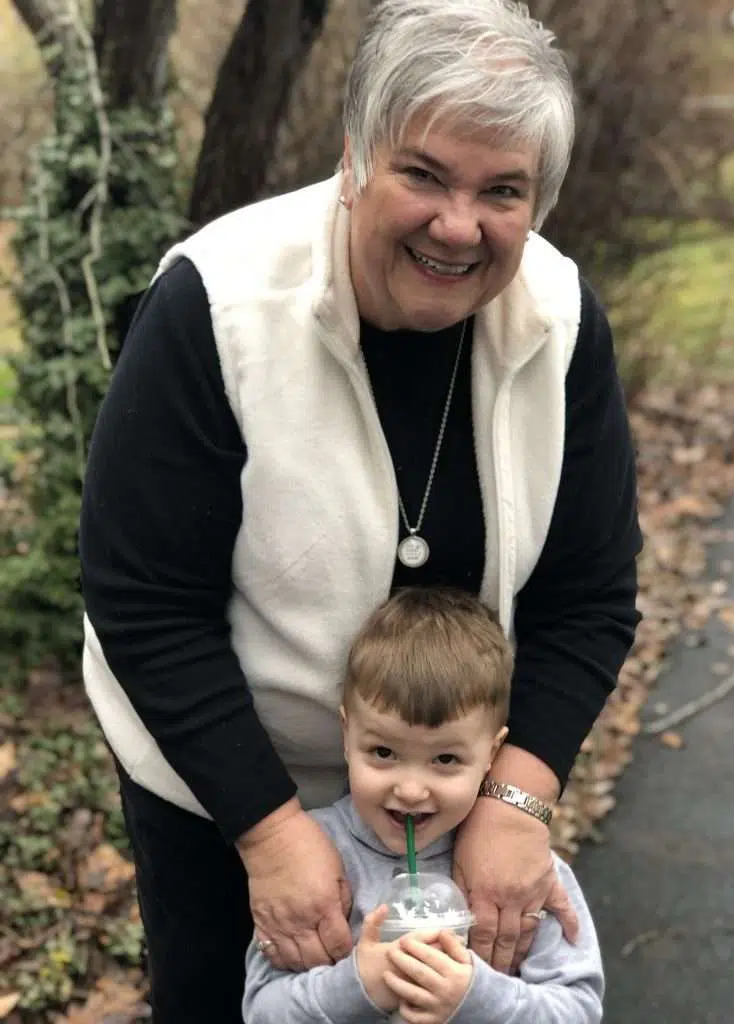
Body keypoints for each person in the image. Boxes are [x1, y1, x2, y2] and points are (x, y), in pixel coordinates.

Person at [79, 0, 641, 1020]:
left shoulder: (560, 324)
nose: (459, 223)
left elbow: (589, 594)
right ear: (354, 157)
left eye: (502, 190)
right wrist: (268, 830)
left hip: (450, 778)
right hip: (223, 780)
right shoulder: (216, 304)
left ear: (539, 202)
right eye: (423, 173)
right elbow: (145, 601)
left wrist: (514, 800)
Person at [242, 587, 605, 1024]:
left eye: (446, 760)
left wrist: (474, 998)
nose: (411, 790)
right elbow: (262, 1010)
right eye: (383, 753)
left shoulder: (521, 870)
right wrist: (359, 985)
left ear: (492, 753)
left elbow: (578, 1008)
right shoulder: (311, 861)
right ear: (346, 734)